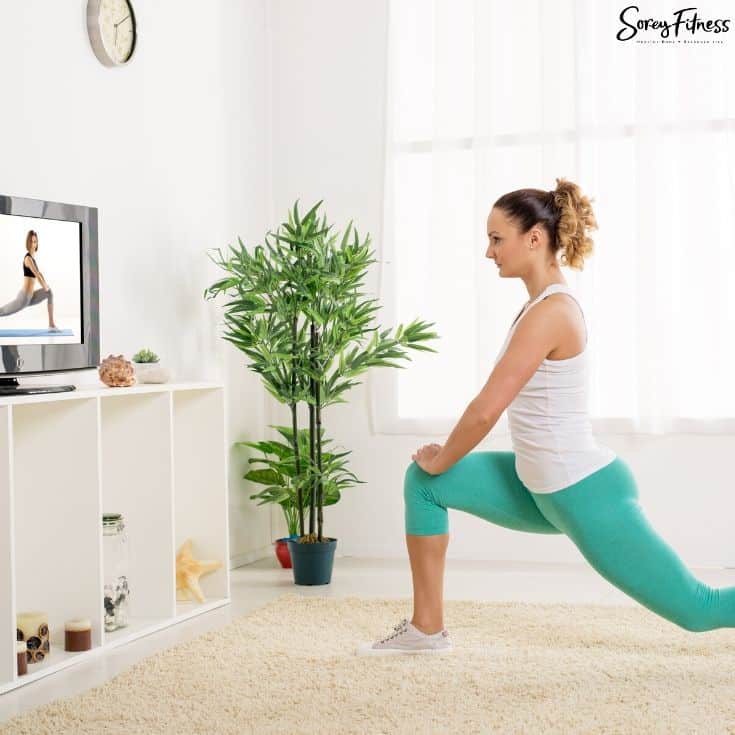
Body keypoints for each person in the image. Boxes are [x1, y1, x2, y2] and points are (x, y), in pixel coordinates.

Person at [357, 177, 735, 656]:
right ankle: (427, 630)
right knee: (424, 483)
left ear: (534, 239)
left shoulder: (552, 313)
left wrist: (443, 456)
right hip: (538, 488)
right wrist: (435, 465)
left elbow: (485, 410)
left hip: (583, 492)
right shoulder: (537, 306)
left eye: (497, 239)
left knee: (698, 609)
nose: (488, 252)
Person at [0, 230, 61, 331]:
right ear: (28, 243)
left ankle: (51, 325)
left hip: (31, 296)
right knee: (3, 311)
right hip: (24, 298)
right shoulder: (28, 259)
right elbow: (36, 275)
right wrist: (44, 286)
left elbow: (40, 273)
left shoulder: (33, 258)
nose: (34, 244)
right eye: (32, 242)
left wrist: (46, 286)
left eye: (35, 241)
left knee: (49, 293)